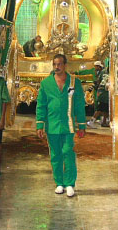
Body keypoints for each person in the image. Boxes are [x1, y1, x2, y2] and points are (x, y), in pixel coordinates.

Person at [36, 53, 86, 197]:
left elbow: (79, 104)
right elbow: (41, 105)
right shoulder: (46, 83)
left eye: (59, 64)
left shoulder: (73, 82)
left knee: (68, 152)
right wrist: (40, 124)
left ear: (65, 65)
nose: (57, 67)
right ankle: (59, 183)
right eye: (55, 64)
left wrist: (81, 125)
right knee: (55, 154)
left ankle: (70, 183)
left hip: (68, 125)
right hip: (52, 125)